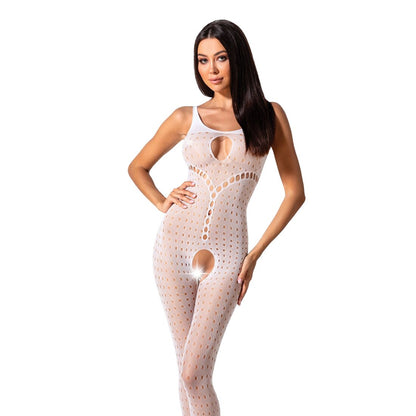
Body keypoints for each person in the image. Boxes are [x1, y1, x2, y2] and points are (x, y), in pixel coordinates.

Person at [128, 19, 305, 416]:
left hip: (229, 253)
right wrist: (161, 201)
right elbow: (137, 166)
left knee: (195, 372)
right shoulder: (184, 117)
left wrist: (254, 254)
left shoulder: (269, 115)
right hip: (172, 247)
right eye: (202, 60)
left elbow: (295, 193)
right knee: (185, 371)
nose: (211, 69)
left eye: (221, 58)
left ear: (238, 58)